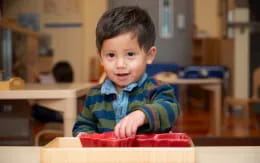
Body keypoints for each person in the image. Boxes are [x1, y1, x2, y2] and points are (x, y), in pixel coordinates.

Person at [72, 6, 180, 138]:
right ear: (101, 57)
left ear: (149, 55)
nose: (120, 65)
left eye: (130, 54)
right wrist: (83, 134)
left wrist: (142, 114)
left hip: (147, 157)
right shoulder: (94, 95)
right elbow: (83, 124)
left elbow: (171, 110)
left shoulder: (157, 89)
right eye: (111, 55)